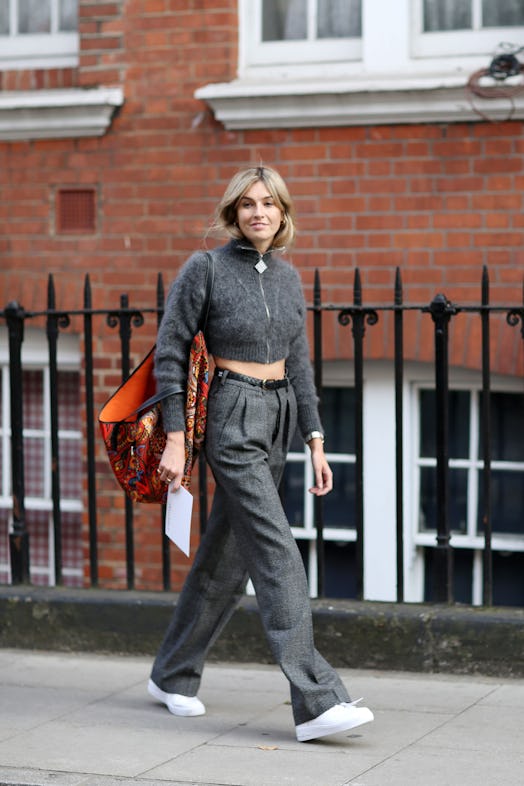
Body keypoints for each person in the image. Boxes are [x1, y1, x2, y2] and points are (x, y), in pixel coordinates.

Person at [148, 165, 374, 742]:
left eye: (268, 204)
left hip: (279, 419)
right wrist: (175, 437)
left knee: (226, 558)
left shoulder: (289, 279)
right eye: (247, 203)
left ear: (283, 213)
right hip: (232, 413)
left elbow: (299, 364)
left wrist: (315, 440)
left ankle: (172, 674)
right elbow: (170, 351)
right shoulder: (205, 269)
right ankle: (317, 698)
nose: (257, 213)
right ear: (233, 212)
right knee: (277, 551)